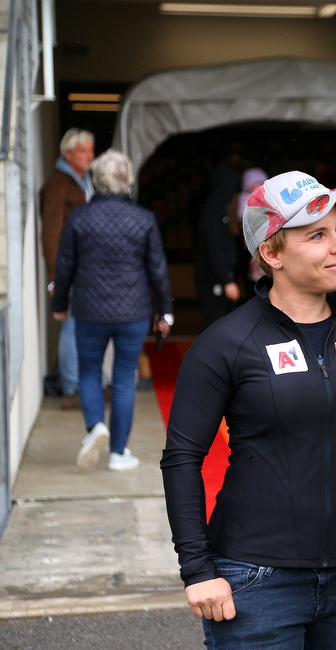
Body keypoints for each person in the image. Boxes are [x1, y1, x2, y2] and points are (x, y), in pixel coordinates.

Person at [161, 171, 336, 650]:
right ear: (271, 254)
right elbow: (182, 458)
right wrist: (197, 570)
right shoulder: (226, 343)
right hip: (254, 580)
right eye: (317, 235)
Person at [51, 149, 174, 472]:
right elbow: (157, 270)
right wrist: (166, 312)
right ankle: (118, 453)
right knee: (122, 379)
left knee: (89, 371)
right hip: (133, 312)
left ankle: (95, 427)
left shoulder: (79, 217)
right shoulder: (143, 219)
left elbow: (65, 267)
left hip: (89, 310)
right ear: (127, 180)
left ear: (96, 180)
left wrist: (59, 304)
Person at [40, 128, 95, 410]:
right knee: (71, 328)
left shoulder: (83, 180)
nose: (90, 155)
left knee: (82, 327)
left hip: (85, 269)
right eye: (84, 150)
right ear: (67, 154)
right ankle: (71, 389)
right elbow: (50, 234)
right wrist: (54, 278)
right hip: (69, 270)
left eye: (91, 149)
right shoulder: (59, 184)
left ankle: (79, 386)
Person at [194, 165, 242, 329]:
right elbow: (213, 247)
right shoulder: (212, 210)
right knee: (216, 326)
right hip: (213, 278)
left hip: (220, 277)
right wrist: (226, 280)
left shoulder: (222, 208)